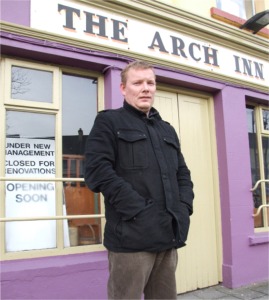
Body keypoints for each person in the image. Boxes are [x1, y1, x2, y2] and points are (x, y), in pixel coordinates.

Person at [84, 61, 194, 300]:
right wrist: (139, 211)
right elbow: (96, 171)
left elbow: (182, 174)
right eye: (138, 83)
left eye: (150, 83)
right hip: (131, 239)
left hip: (168, 236)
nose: (146, 88)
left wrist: (184, 207)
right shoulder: (109, 122)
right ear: (123, 89)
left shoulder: (167, 130)